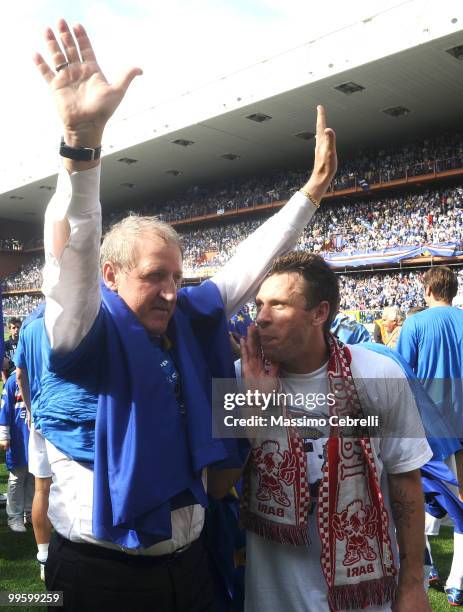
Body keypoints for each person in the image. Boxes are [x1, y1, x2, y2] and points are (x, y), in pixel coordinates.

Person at [33, 19, 337, 612]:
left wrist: (311, 195)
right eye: (154, 276)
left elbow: (245, 267)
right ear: (111, 277)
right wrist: (82, 148)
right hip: (101, 574)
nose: (172, 292)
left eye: (177, 276)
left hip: (190, 564)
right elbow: (79, 247)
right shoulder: (82, 329)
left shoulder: (189, 325)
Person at [239, 252, 432, 612]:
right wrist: (253, 409)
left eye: (278, 305)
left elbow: (405, 479)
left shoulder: (379, 375)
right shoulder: (239, 376)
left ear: (319, 313)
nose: (261, 318)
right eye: (259, 304)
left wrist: (413, 584)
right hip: (273, 598)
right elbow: (219, 485)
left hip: (365, 597)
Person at [397, 265, 463, 606]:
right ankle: (454, 579)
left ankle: (436, 570)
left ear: (427, 291)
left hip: (430, 426)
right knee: (453, 498)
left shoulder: (415, 323)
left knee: (413, 495)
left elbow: (401, 373)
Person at [15, 304, 52, 582]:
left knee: (42, 488)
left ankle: (44, 556)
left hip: (40, 416)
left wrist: (30, 410)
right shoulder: (85, 307)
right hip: (73, 415)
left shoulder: (30, 321)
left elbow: (20, 374)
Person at [0, 372, 35, 533]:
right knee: (17, 476)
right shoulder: (13, 380)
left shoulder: (39, 373)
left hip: (35, 434)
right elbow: (5, 409)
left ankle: (30, 513)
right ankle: (14, 516)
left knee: (33, 476)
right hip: (19, 436)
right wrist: (4, 436)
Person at [1, 317, 22, 383]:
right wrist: (5, 382)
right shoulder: (5, 345)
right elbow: (2, 366)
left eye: (18, 327)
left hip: (24, 376)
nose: (16, 329)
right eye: (13, 328)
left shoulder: (25, 344)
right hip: (11, 378)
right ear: (9, 330)